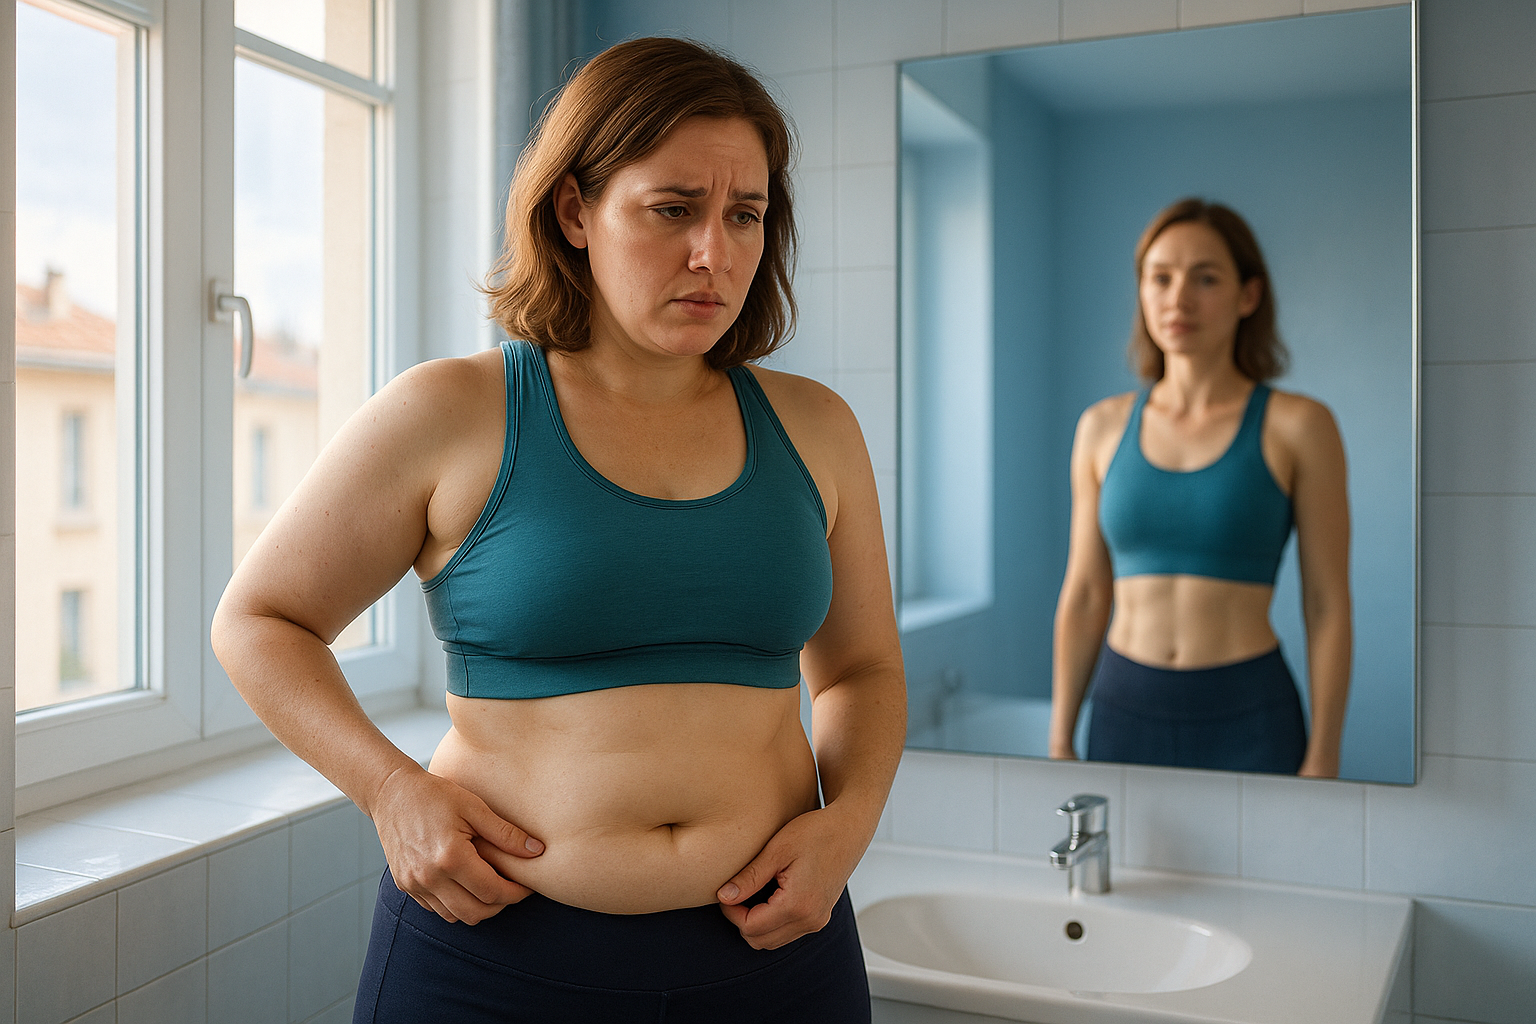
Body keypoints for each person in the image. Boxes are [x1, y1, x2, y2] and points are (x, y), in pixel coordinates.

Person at [211, 37, 905, 1024]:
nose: (716, 252)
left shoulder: (817, 426)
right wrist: (391, 791)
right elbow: (258, 620)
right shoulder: (451, 412)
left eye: (744, 214)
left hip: (775, 957)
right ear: (575, 210)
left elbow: (862, 670)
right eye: (674, 210)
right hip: (495, 964)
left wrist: (852, 829)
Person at [1048, 198, 1350, 777]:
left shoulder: (1301, 426)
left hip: (1250, 711)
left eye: (1205, 278)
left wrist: (1325, 754)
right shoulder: (1101, 427)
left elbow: (1327, 605)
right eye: (1160, 277)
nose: (1178, 297)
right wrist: (1060, 735)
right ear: (1142, 291)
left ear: (1248, 295)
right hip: (1123, 708)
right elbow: (1085, 593)